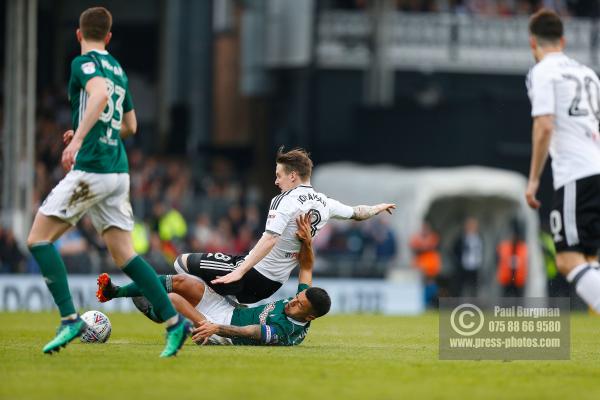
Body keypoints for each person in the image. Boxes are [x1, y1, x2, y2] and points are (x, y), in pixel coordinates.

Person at [26, 7, 191, 356]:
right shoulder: (118, 69)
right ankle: (176, 324)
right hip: (119, 173)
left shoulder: (82, 64)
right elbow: (130, 127)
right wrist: (92, 129)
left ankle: (70, 319)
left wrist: (77, 140)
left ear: (78, 34)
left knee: (38, 240)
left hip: (94, 169)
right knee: (125, 255)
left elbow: (98, 95)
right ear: (110, 36)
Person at [169, 148, 395, 304]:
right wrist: (377, 208)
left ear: (293, 176)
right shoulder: (326, 203)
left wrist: (240, 271)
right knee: (205, 282)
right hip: (273, 284)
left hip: (253, 275)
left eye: (279, 176)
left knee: (182, 262)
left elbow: (270, 239)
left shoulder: (285, 200)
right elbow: (357, 213)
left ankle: (163, 303)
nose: (276, 181)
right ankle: (220, 310)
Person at [102, 214, 330, 346]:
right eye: (297, 297)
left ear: (310, 316)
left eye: (299, 304)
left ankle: (155, 313)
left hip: (223, 332)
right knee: (183, 282)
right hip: (230, 311)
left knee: (173, 298)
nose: (292, 302)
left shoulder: (287, 331)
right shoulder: (305, 302)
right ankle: (116, 292)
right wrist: (307, 242)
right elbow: (307, 267)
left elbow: (252, 332)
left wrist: (215, 328)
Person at [525, 9, 600, 312]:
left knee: (568, 261)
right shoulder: (589, 74)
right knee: (590, 261)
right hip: (596, 170)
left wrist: (533, 180)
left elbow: (544, 125)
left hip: (576, 175)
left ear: (533, 43)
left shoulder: (543, 71)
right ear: (563, 40)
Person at [452, 217, 484, 297]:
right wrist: (457, 261)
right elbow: (455, 250)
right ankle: (458, 305)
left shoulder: (479, 237)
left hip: (475, 266)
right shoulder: (461, 238)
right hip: (463, 266)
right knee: (460, 286)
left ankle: (473, 305)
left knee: (474, 287)